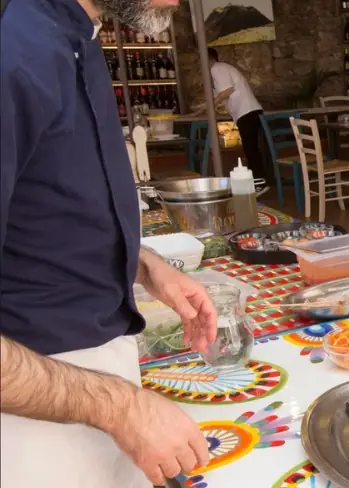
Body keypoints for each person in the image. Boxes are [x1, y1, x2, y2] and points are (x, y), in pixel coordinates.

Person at [0, 0, 217, 486]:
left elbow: (46, 211)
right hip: (30, 423)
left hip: (97, 392)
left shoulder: (77, 36)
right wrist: (119, 406)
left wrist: (142, 263)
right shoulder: (11, 51)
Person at [198, 48, 268, 180]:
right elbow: (220, 96)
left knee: (251, 150)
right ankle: (263, 180)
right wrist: (203, 108)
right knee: (253, 149)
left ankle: (260, 181)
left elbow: (227, 91)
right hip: (248, 111)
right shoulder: (220, 71)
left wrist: (209, 105)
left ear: (208, 59)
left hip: (247, 111)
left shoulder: (217, 68)